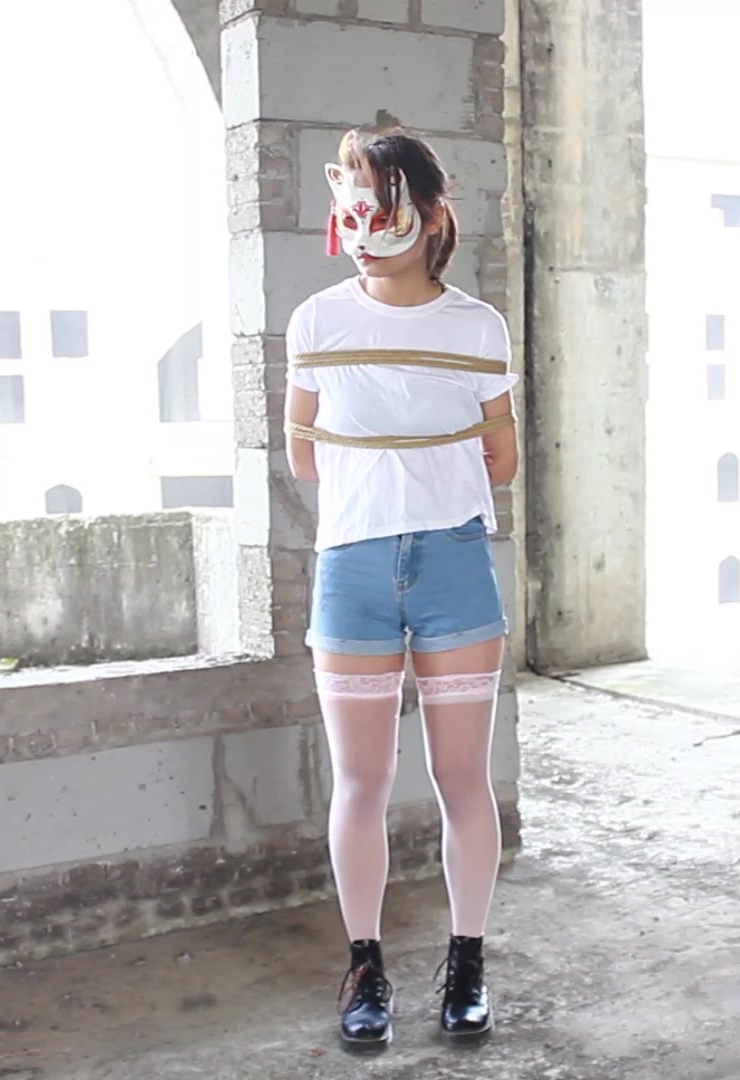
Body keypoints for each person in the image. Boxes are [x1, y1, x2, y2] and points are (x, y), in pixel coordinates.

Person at [283, 126, 519, 1048]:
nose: (363, 228)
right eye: (351, 209)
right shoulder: (317, 321)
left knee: (462, 776)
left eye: (382, 209)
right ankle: (365, 966)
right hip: (353, 565)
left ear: (429, 214)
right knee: (361, 780)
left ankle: (467, 961)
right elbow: (303, 453)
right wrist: (397, 469)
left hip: (453, 560)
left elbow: (501, 458)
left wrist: (411, 468)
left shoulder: (477, 326)